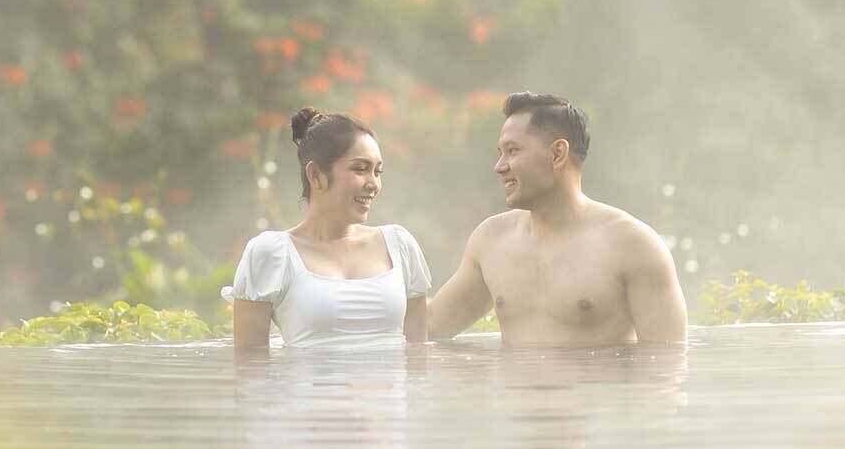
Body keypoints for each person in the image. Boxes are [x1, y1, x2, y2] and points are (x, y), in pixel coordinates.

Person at [428, 92, 686, 346]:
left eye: (512, 151)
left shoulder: (633, 245)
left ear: (557, 154)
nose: (499, 166)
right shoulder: (491, 239)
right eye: (500, 153)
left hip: (600, 389)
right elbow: (430, 328)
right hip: (513, 389)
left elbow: (666, 364)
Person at [229, 108, 434, 353]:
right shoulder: (272, 254)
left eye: (378, 171)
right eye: (360, 169)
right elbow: (251, 370)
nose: (373, 184)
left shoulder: (399, 245)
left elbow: (418, 356)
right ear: (316, 175)